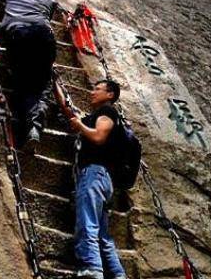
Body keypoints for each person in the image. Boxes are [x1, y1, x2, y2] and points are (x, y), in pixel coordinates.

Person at [56, 79, 127, 279]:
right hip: (103, 180)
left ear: (110, 95)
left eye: (98, 89)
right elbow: (68, 109)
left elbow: (98, 137)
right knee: (103, 234)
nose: (92, 91)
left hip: (94, 175)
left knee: (87, 222)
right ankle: (117, 274)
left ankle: (92, 268)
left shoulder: (107, 113)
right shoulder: (93, 117)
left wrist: (79, 125)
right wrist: (56, 84)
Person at [0, 0, 58, 148]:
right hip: (44, 34)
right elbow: (52, 9)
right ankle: (34, 127)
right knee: (42, 84)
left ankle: (24, 123)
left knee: (21, 79)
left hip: (17, 30)